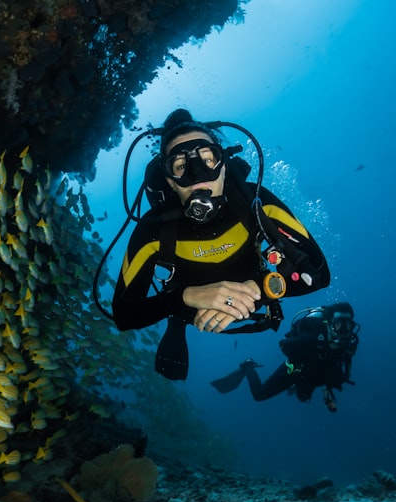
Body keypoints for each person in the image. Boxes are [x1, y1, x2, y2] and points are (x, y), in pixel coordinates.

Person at [111, 109, 331, 379]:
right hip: (188, 308)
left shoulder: (257, 202)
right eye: (180, 166)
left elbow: (319, 273)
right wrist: (185, 297)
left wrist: (260, 289)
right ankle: (177, 320)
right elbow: (124, 314)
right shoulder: (153, 229)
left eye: (208, 159)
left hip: (256, 289)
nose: (196, 174)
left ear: (224, 164)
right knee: (177, 312)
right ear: (169, 180)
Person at [211, 302, 360, 412]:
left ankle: (304, 388)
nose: (345, 330)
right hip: (296, 371)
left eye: (349, 325)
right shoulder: (313, 337)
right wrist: (308, 346)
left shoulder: (348, 344)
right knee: (259, 395)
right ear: (329, 324)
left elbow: (345, 367)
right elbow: (283, 344)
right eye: (340, 324)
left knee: (303, 398)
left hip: (316, 375)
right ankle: (248, 365)